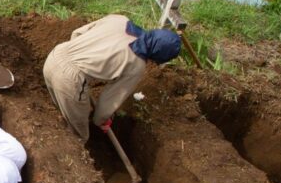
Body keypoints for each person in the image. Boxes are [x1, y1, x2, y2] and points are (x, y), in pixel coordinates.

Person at [43, 14, 180, 144]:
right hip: (68, 80)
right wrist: (100, 120)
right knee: (79, 136)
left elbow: (77, 33)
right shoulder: (136, 65)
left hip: (55, 55)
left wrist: (81, 59)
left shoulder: (119, 20)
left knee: (64, 110)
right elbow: (108, 100)